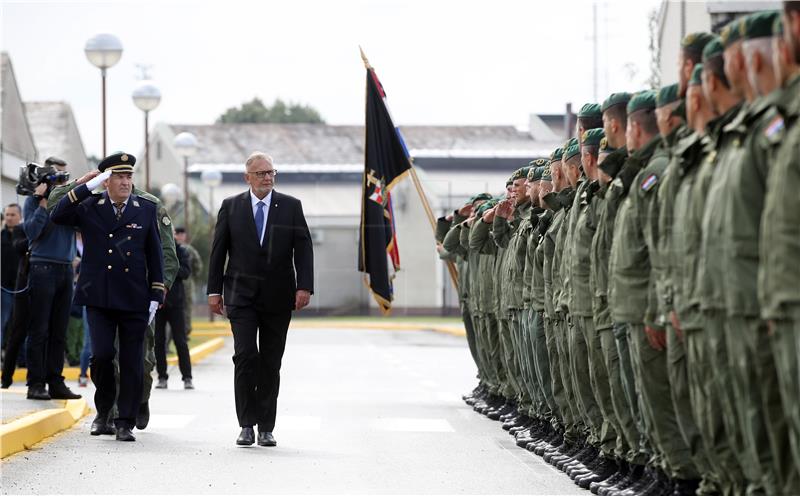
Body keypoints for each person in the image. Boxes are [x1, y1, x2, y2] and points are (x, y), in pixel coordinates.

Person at [51, 152, 165, 442]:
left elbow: (155, 253)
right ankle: (103, 412)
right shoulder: (90, 205)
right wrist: (85, 185)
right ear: (106, 181)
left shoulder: (145, 209)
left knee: (132, 360)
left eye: (129, 176)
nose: (126, 182)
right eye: (119, 176)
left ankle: (124, 420)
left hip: (134, 296)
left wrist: (156, 292)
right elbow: (58, 213)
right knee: (101, 355)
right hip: (98, 294)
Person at [207, 151, 314, 448]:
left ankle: (266, 426)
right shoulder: (231, 207)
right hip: (240, 296)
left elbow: (303, 248)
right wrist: (214, 291)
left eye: (271, 173)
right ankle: (246, 425)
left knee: (270, 360)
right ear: (247, 177)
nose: (267, 177)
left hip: (279, 297)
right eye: (261, 173)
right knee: (244, 356)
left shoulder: (291, 206)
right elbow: (219, 252)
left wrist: (304, 286)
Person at [22, 156, 81, 401]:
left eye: (65, 177)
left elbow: (80, 224)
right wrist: (43, 203)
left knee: (59, 330)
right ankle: (35, 383)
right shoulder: (33, 202)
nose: (62, 181)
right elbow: (32, 233)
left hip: (65, 269)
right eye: (57, 176)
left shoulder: (69, 203)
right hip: (42, 267)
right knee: (39, 330)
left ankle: (56, 382)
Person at [154, 231, 193, 389]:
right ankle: (162, 377)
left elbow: (186, 272)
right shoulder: (155, 248)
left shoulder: (180, 251)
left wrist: (170, 270)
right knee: (158, 342)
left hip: (176, 302)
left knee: (180, 341)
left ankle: (187, 377)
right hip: (158, 302)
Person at [1, 204, 24, 347]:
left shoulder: (26, 236)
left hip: (21, 288)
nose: (9, 218)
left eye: (12, 215)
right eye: (7, 215)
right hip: (3, 289)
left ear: (20, 217)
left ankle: (21, 361)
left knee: (20, 326)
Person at [174, 227, 202, 336]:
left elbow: (197, 266)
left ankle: (183, 332)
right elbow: (198, 266)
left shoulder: (173, 248)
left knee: (181, 310)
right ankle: (184, 332)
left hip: (178, 285)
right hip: (186, 284)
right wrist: (192, 276)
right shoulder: (189, 250)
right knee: (185, 309)